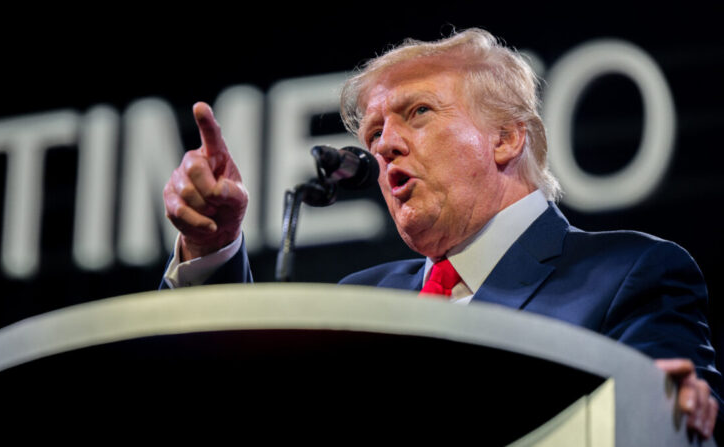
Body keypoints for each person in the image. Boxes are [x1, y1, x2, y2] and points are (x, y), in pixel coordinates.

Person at [161, 28, 721, 440]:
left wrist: (665, 409)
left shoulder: (628, 274)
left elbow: (671, 418)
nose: (384, 145)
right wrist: (213, 247)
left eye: (419, 113)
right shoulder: (362, 300)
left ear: (505, 137)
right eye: (376, 131)